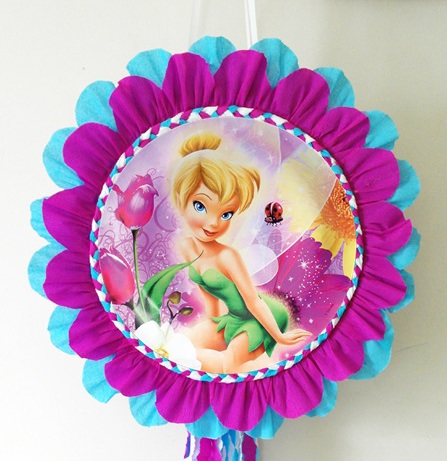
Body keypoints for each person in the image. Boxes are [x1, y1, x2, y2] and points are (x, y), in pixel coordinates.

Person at [171, 133, 311, 373]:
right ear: (180, 200)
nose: (213, 223)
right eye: (200, 206)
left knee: (226, 365)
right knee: (185, 346)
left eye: (226, 214)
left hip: (263, 316)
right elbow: (208, 293)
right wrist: (212, 323)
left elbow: (253, 301)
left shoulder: (227, 256)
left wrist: (279, 336)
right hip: (234, 316)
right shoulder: (187, 247)